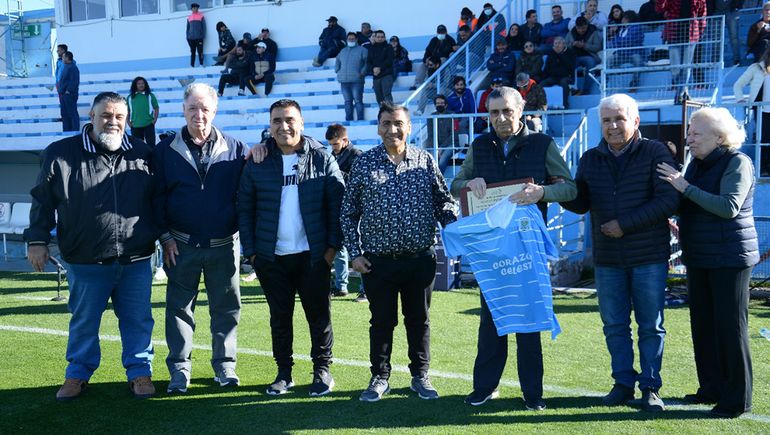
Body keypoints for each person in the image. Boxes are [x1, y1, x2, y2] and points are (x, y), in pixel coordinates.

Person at [25, 91, 158, 401]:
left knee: (138, 319)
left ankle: (140, 372)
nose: (112, 122)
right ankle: (77, 374)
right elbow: (42, 201)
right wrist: (37, 239)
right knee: (84, 321)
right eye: (106, 115)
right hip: (85, 259)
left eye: (119, 117)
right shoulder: (60, 153)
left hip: (135, 258)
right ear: (92, 117)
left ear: (127, 120)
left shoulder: (143, 152)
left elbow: (156, 202)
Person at [449, 86, 576, 409]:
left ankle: (532, 394)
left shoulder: (542, 143)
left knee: (529, 321)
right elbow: (455, 184)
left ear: (520, 110)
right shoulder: (480, 145)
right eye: (494, 113)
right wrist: (469, 184)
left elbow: (570, 188)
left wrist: (542, 193)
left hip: (527, 249)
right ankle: (485, 388)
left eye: (507, 111)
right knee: (490, 321)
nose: (501, 118)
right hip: (493, 251)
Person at [561, 93, 680, 413]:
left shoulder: (655, 152)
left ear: (635, 121)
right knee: (614, 325)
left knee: (650, 325)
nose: (612, 126)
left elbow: (670, 201)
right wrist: (556, 189)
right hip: (608, 258)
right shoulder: (589, 158)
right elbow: (581, 201)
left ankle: (651, 387)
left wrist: (624, 225)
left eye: (619, 119)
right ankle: (623, 384)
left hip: (648, 256)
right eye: (606, 120)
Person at [342, 103, 458, 402]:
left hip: (420, 259)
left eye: (397, 123)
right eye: (385, 124)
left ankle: (420, 376)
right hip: (377, 263)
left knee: (419, 320)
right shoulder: (364, 164)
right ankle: (380, 376)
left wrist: (461, 227)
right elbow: (348, 212)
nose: (392, 130)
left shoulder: (424, 160)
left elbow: (443, 202)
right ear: (378, 127)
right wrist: (354, 254)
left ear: (408, 126)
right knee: (381, 321)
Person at [238, 99, 345, 397]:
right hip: (271, 259)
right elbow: (244, 208)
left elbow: (338, 204)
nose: (283, 126)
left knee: (319, 317)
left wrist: (331, 250)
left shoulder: (322, 158)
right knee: (280, 318)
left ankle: (322, 371)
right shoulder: (257, 161)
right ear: (269, 125)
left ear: (301, 122)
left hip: (313, 257)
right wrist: (253, 253)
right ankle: (284, 373)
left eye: (289, 120)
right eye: (276, 121)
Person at [656, 107, 757, 419]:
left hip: (730, 258)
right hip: (700, 256)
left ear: (719, 136)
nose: (689, 139)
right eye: (690, 133)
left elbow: (728, 207)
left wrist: (684, 187)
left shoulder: (738, 162)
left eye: (696, 133)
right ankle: (710, 388)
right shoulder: (697, 165)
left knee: (730, 326)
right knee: (702, 325)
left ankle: (737, 399)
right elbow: (689, 204)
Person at [154, 83, 246, 394]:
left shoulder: (237, 149)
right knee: (179, 308)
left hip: (224, 246)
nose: (199, 115)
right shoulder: (164, 151)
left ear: (214, 111)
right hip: (180, 245)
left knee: (226, 308)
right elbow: (156, 198)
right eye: (192, 108)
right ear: (183, 110)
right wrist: (165, 237)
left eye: (205, 108)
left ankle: (225, 366)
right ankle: (180, 370)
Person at [325, 124, 364, 299]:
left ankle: (366, 289)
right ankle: (341, 286)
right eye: (331, 144)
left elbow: (360, 181)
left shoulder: (357, 155)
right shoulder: (333, 155)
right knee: (339, 247)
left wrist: (336, 174)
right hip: (339, 207)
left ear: (345, 140)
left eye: (335, 143)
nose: (332, 147)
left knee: (362, 248)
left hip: (357, 208)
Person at [656, 0, 707, 103]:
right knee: (675, 68)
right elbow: (659, 8)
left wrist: (699, 32)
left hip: (691, 34)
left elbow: (702, 15)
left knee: (686, 66)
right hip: (674, 33)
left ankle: (679, 94)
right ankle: (684, 91)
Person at [607, 11, 645, 90]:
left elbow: (629, 40)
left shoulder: (637, 27)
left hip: (634, 53)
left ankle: (634, 84)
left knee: (637, 60)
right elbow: (613, 43)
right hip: (622, 54)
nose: (622, 20)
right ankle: (604, 82)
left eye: (623, 18)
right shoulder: (622, 29)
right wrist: (618, 40)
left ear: (628, 19)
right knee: (609, 60)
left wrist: (618, 40)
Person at [565, 16, 603, 95]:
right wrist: (573, 44)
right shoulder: (571, 33)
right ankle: (571, 88)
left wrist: (584, 46)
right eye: (579, 28)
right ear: (576, 26)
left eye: (583, 28)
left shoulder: (593, 32)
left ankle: (586, 90)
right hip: (574, 56)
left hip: (589, 56)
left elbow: (598, 47)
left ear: (587, 25)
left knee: (590, 62)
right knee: (566, 62)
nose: (581, 30)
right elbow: (565, 46)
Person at [411, 25, 455, 90]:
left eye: (442, 32)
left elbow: (448, 52)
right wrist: (426, 59)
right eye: (439, 32)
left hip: (443, 59)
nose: (441, 34)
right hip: (433, 60)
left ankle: (440, 82)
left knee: (442, 59)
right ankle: (417, 84)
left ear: (446, 32)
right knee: (423, 65)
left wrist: (435, 59)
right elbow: (428, 51)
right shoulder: (433, 40)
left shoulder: (450, 40)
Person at [336, 32, 368, 121]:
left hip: (357, 80)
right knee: (347, 102)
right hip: (344, 81)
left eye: (353, 39)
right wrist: (337, 69)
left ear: (356, 39)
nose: (351, 40)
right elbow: (337, 60)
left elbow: (367, 62)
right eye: (349, 39)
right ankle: (349, 120)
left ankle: (360, 120)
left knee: (358, 101)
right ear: (347, 40)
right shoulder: (343, 50)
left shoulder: (362, 50)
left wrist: (363, 72)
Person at [540, 37, 575, 108]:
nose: (557, 45)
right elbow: (547, 68)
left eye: (559, 43)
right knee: (542, 84)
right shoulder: (551, 54)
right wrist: (543, 78)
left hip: (566, 76)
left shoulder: (570, 52)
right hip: (553, 77)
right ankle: (542, 105)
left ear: (564, 44)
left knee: (564, 83)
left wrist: (560, 54)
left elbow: (571, 66)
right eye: (555, 43)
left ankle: (565, 104)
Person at [426, 94, 457, 172]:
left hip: (451, 144)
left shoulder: (453, 115)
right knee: (432, 161)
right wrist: (436, 148)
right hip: (436, 145)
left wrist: (442, 148)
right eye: (438, 103)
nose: (439, 105)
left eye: (442, 103)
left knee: (442, 160)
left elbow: (454, 135)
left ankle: (438, 180)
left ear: (446, 105)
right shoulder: (431, 117)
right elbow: (430, 135)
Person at [127, 76, 160, 146]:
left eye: (142, 83)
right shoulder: (130, 97)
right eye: (139, 84)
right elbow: (128, 111)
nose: (141, 85)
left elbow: (156, 108)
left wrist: (154, 120)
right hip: (135, 126)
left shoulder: (150, 96)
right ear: (135, 85)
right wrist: (128, 122)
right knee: (138, 147)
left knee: (151, 146)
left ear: (145, 85)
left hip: (148, 125)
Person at [368, 30, 395, 105]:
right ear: (375, 38)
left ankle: (390, 114)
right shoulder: (371, 48)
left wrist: (379, 68)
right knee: (379, 97)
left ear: (385, 38)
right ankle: (383, 114)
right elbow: (368, 62)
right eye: (378, 37)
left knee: (387, 94)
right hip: (376, 76)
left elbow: (390, 60)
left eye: (382, 37)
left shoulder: (389, 47)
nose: (380, 38)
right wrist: (373, 69)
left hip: (387, 74)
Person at [59, 51, 80, 132]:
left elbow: (74, 81)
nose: (62, 58)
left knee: (72, 113)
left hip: (69, 95)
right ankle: (66, 131)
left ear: (68, 58)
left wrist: (68, 91)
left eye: (63, 57)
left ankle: (75, 130)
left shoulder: (73, 68)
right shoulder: (66, 67)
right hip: (63, 95)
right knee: (65, 114)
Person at [186, 3, 205, 67]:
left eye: (196, 7)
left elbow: (204, 27)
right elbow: (187, 28)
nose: (195, 9)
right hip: (191, 38)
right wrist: (187, 37)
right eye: (193, 8)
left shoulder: (201, 16)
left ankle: (201, 64)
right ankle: (192, 65)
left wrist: (202, 35)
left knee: (200, 51)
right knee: (192, 52)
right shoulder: (189, 17)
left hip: (199, 37)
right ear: (191, 9)